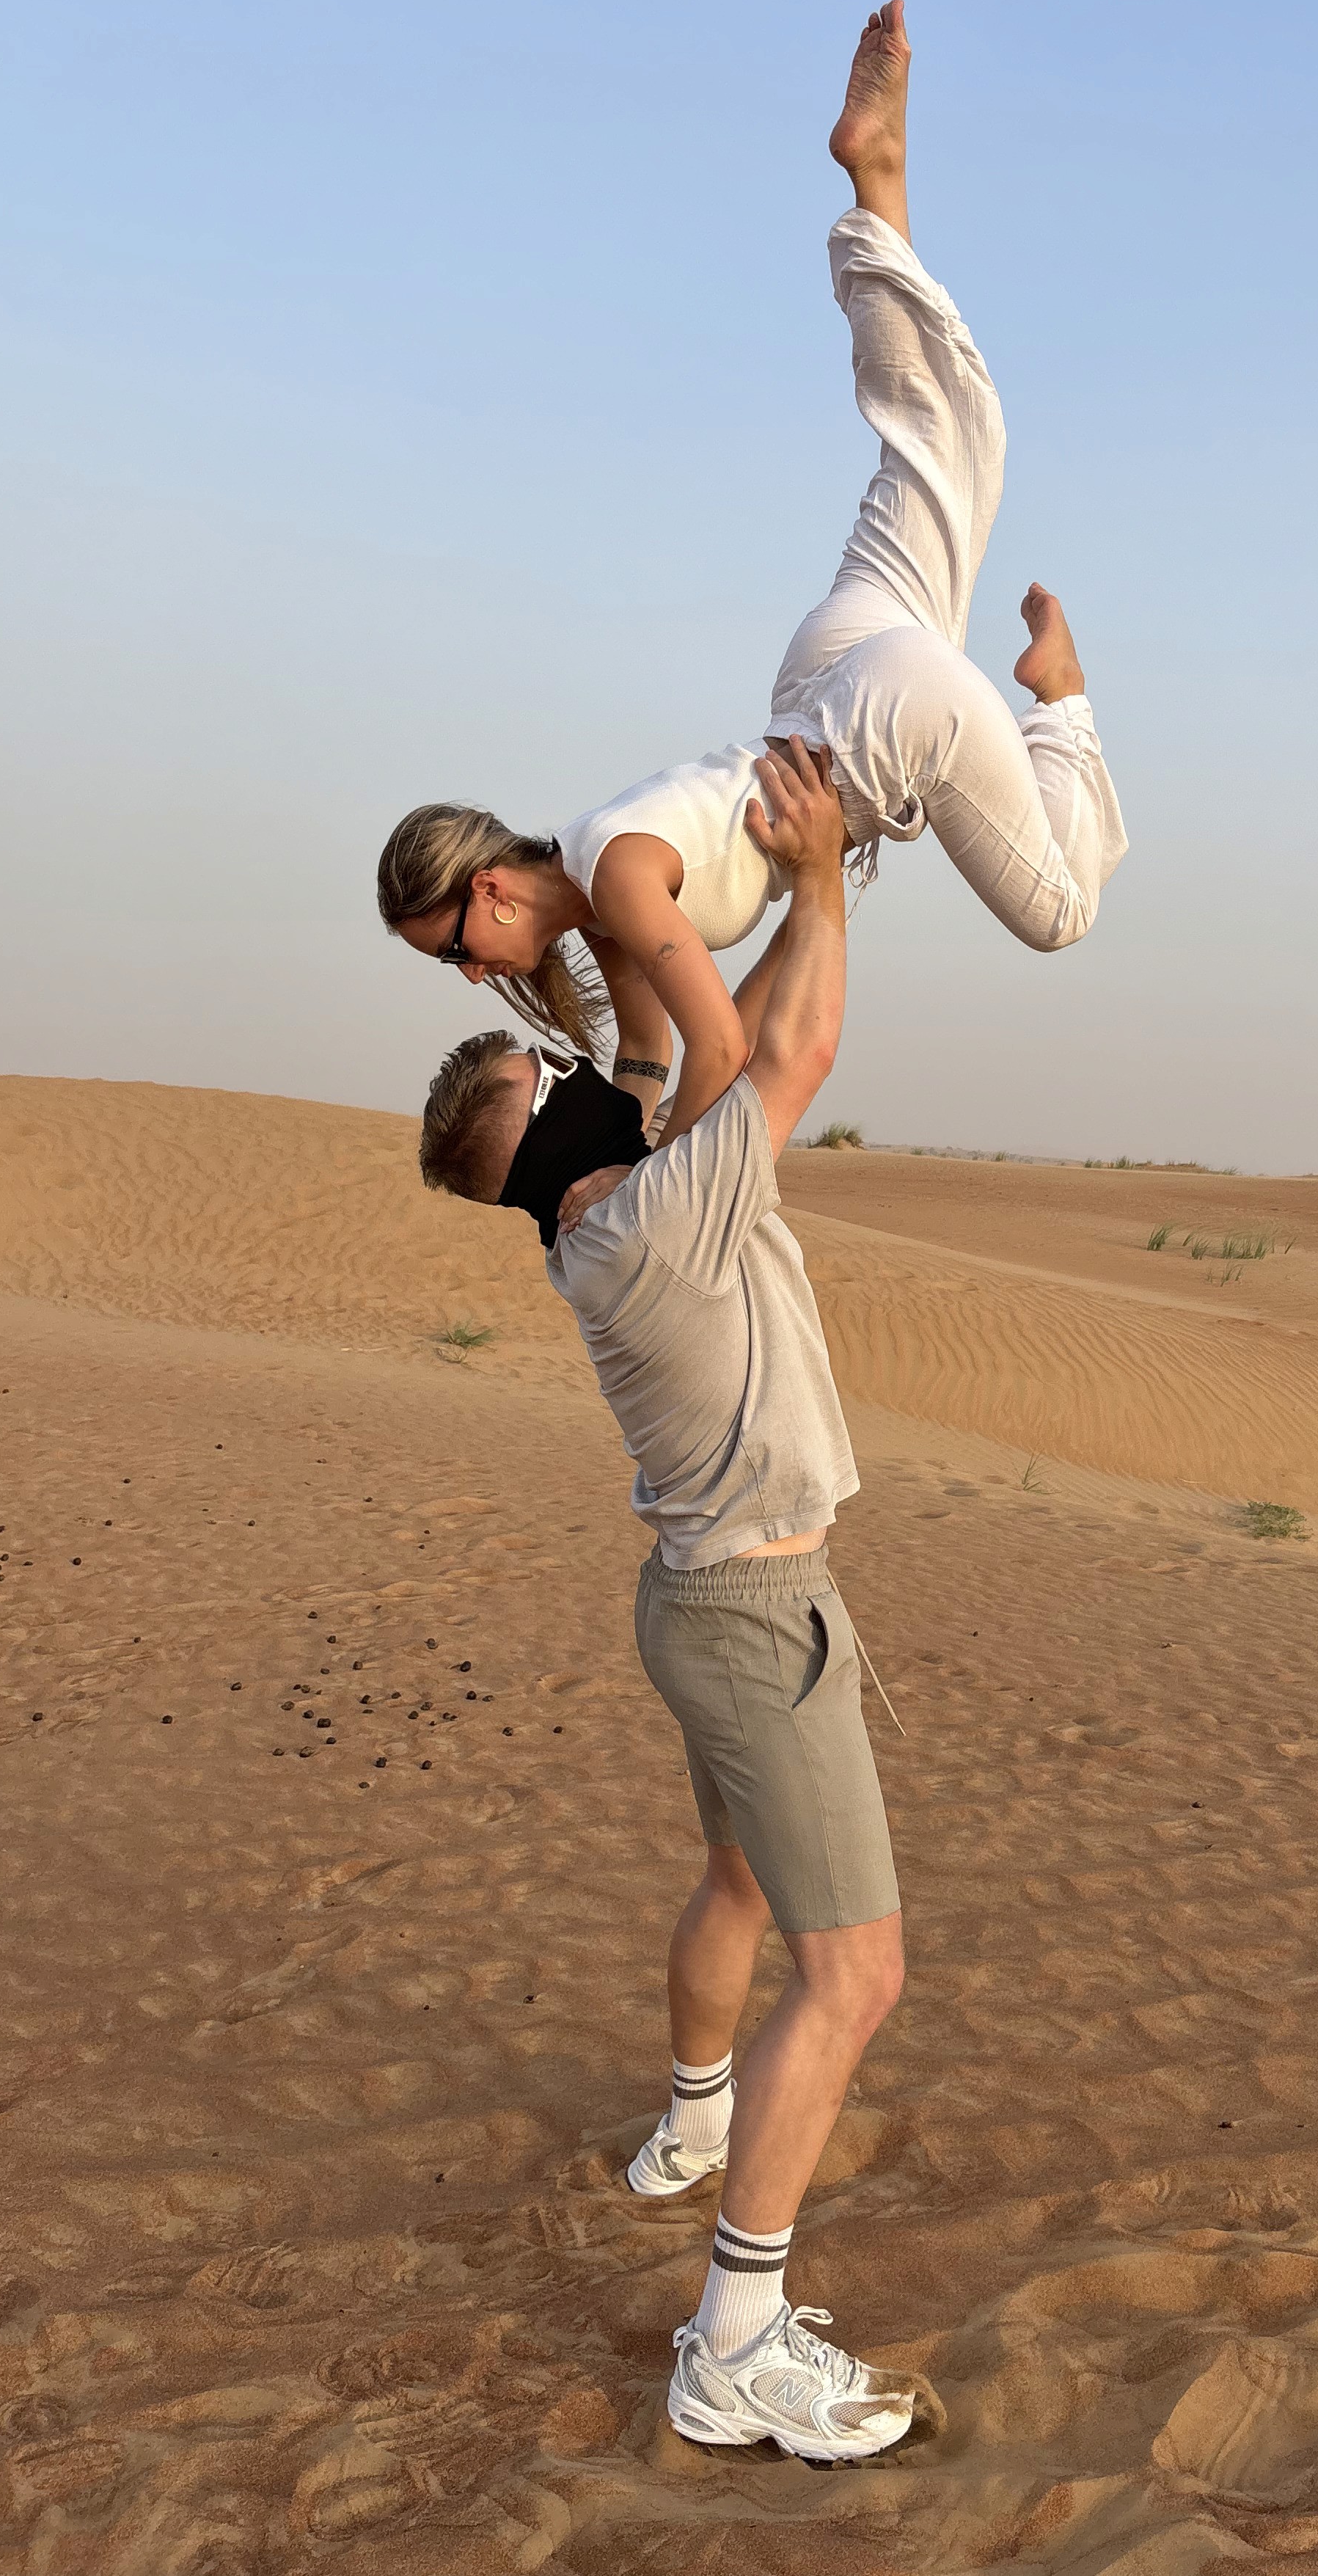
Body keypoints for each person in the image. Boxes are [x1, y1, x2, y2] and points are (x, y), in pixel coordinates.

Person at [417, 737, 921, 2464]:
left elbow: (676, 1027)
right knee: (853, 1978)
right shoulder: (651, 1217)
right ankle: (737, 2334)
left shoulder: (597, 1207)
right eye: (534, 1070)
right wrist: (834, 881)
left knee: (732, 1879)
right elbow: (791, 1050)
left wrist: (759, 889)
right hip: (757, 1619)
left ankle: (694, 2125)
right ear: (540, 1141)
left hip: (695, 1607)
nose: (564, 1060)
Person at [378, 0, 1127, 1144]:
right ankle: (876, 185)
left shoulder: (624, 883)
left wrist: (646, 1191)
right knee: (947, 444)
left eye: (459, 954)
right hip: (823, 682)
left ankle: (1059, 701)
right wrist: (609, 1150)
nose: (478, 979)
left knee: (1062, 911)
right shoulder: (604, 888)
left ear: (487, 893)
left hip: (880, 726)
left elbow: (722, 1051)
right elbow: (651, 1056)